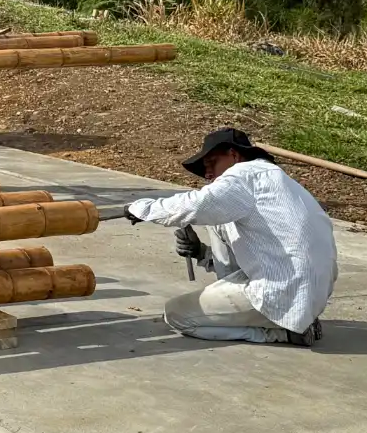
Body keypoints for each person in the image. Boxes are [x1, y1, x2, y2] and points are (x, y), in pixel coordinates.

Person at [128, 127, 338, 346]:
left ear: (234, 155)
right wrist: (201, 253)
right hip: (312, 291)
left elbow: (197, 204)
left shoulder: (243, 175)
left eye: (211, 164)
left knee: (177, 314)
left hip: (284, 290)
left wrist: (141, 209)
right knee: (218, 220)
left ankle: (280, 332)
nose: (208, 175)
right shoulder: (277, 182)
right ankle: (294, 318)